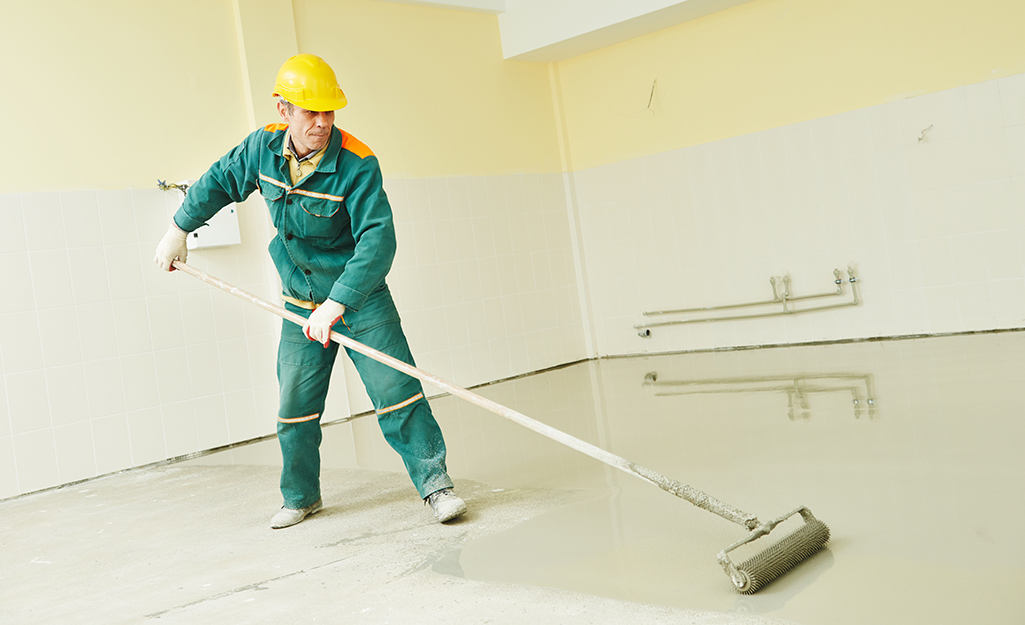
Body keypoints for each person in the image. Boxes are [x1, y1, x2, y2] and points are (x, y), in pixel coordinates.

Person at [153, 53, 466, 528]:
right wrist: (179, 228)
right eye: (310, 113)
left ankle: (436, 488)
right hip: (300, 301)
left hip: (360, 300)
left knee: (396, 392)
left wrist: (338, 302)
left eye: (329, 112)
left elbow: (378, 240)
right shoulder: (262, 149)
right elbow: (219, 181)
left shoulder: (357, 163)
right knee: (295, 408)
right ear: (284, 111)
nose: (321, 123)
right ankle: (301, 497)